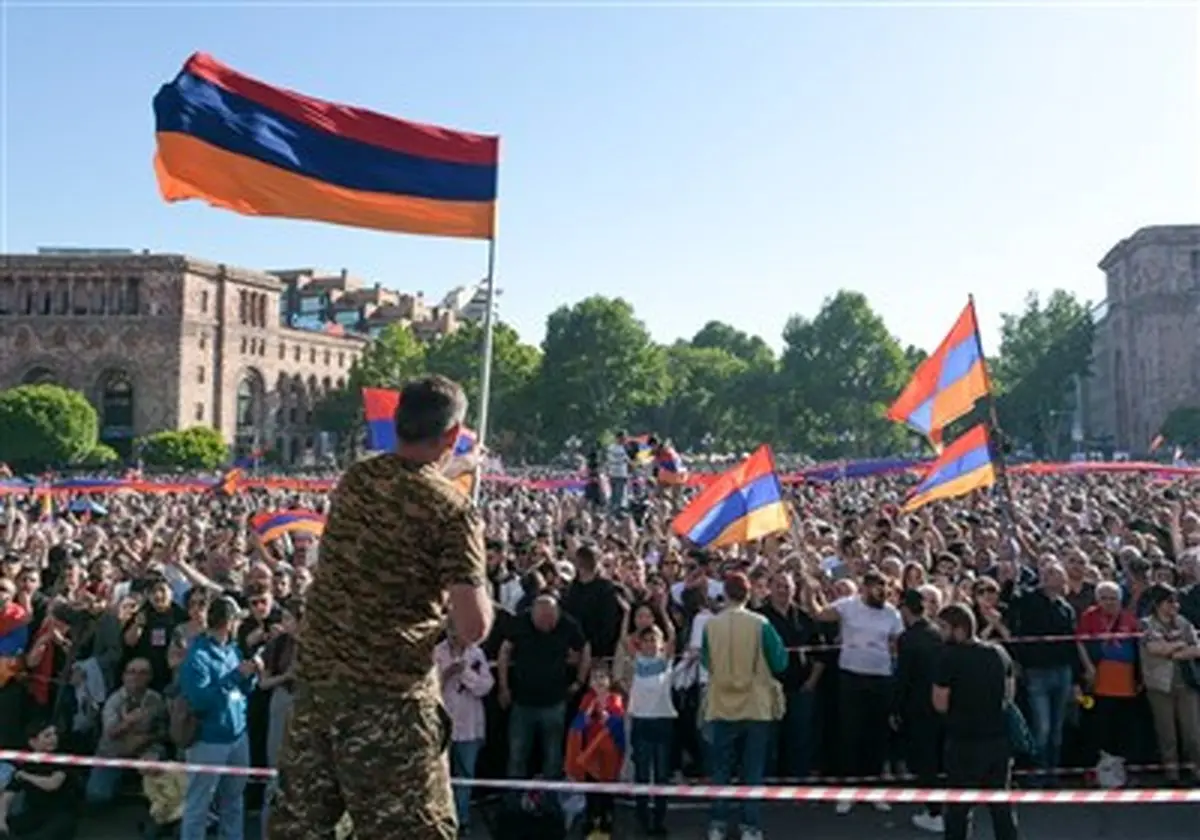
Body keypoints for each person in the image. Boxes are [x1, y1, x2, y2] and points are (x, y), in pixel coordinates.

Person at [268, 375, 493, 840]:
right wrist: (475, 556)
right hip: (387, 704)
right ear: (452, 435)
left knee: (300, 828)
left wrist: (451, 472)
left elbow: (403, 484)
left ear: (397, 422)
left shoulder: (355, 481)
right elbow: (472, 626)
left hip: (317, 692)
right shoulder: (453, 513)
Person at [702, 572, 787, 840]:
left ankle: (717, 822)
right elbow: (780, 662)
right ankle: (750, 825)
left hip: (721, 703)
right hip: (755, 704)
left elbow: (707, 661)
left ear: (725, 594)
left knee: (721, 768)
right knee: (752, 770)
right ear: (748, 594)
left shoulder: (710, 626)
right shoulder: (761, 623)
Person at [816, 568, 903, 815]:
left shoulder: (892, 613)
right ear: (864, 588)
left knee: (877, 736)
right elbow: (821, 614)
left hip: (881, 679)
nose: (880, 591)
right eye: (875, 586)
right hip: (851, 678)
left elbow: (896, 645)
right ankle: (849, 792)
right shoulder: (848, 605)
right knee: (850, 734)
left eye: (884, 586)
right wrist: (812, 592)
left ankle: (875, 791)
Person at [933, 604, 1019, 840]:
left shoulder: (948, 658)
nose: (939, 632)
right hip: (997, 739)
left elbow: (940, 702)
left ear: (959, 629)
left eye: (943, 627)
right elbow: (1010, 694)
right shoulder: (999, 653)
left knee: (959, 810)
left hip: (963, 742)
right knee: (1001, 807)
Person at [179, 595, 261, 840]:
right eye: (237, 620)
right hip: (209, 740)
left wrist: (250, 677)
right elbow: (200, 700)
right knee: (198, 806)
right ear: (229, 622)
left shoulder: (233, 650)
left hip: (237, 736)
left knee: (234, 802)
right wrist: (236, 676)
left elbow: (243, 691)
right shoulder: (197, 657)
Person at [894, 588, 944, 834]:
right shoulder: (937, 633)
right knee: (937, 758)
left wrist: (895, 708)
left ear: (905, 609)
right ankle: (941, 807)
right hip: (940, 703)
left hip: (917, 706)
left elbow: (903, 677)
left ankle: (934, 811)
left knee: (925, 761)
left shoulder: (907, 638)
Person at [0, 721, 77, 840]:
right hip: (35, 813)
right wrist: (1, 820)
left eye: (55, 734)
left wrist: (26, 776)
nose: (54, 738)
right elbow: (8, 795)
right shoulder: (27, 763)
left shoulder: (62, 759)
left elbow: (52, 784)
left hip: (61, 815)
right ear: (33, 742)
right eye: (47, 735)